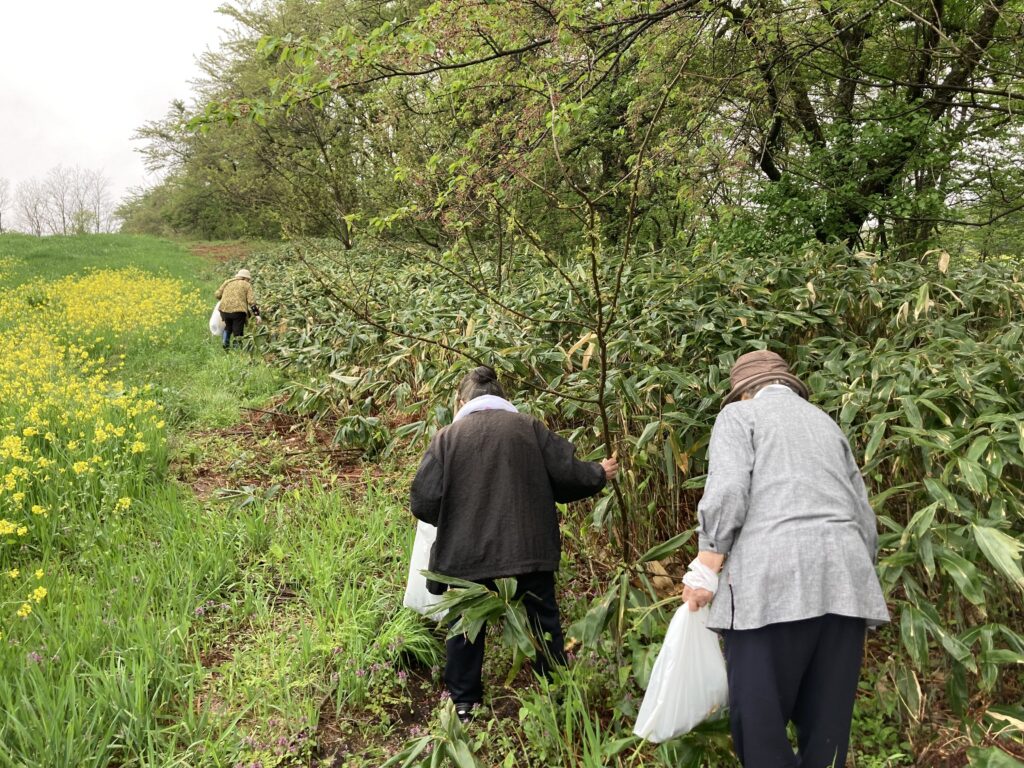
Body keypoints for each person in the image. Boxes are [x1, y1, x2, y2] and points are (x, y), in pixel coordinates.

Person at [682, 349, 889, 768]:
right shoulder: (826, 423)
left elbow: (728, 491)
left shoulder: (739, 417)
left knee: (760, 728)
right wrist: (855, 578)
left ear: (743, 393)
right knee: (827, 732)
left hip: (768, 590)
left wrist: (705, 567)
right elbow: (863, 515)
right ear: (789, 385)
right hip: (846, 586)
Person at [410, 365, 619, 723]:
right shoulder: (529, 427)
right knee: (542, 622)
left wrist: (455, 518)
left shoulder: (447, 438)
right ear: (503, 397)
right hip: (528, 551)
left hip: (467, 557)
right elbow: (567, 475)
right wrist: (598, 472)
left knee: (466, 626)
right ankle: (555, 695)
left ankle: (464, 704)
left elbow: (423, 501)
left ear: (461, 401)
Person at [215, 268, 260, 349]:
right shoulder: (246, 285)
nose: (248, 281)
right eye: (248, 279)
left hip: (224, 310)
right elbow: (251, 301)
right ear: (245, 278)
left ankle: (225, 343)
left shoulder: (228, 282)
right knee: (238, 330)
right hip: (238, 311)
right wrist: (257, 314)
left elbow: (217, 295)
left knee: (228, 326)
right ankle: (237, 349)